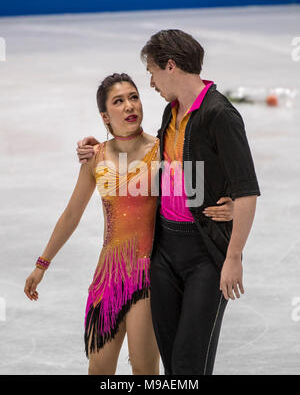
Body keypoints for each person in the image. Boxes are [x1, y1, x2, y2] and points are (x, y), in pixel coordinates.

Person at [24, 71, 235, 375]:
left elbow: (199, 180)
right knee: (99, 368)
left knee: (144, 367)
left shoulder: (160, 151)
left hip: (149, 276)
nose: (129, 106)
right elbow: (72, 214)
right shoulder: (96, 157)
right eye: (118, 101)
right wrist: (42, 264)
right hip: (107, 276)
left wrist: (228, 204)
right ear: (105, 116)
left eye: (133, 97)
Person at [76, 30, 261, 376]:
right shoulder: (171, 114)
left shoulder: (219, 115)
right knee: (173, 363)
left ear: (171, 66)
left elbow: (247, 188)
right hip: (164, 252)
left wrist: (233, 254)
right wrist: (97, 148)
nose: (151, 82)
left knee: (190, 366)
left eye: (152, 72)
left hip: (205, 255)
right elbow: (171, 171)